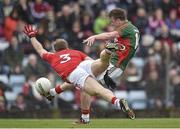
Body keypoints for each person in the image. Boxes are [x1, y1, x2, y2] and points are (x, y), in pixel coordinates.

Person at [23, 25, 135, 121]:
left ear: (55, 50)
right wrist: (53, 92)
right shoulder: (75, 52)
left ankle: (118, 102)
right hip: (83, 65)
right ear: (67, 47)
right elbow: (90, 62)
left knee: (98, 90)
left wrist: (32, 36)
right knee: (101, 63)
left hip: (74, 72)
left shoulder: (52, 56)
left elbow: (39, 49)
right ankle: (107, 51)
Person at [78, 8, 140, 123]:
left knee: (91, 88)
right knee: (86, 87)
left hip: (115, 66)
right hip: (116, 63)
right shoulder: (132, 29)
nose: (111, 23)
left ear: (118, 20)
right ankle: (110, 49)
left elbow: (109, 34)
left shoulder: (126, 28)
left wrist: (94, 37)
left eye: (112, 20)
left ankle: (119, 103)